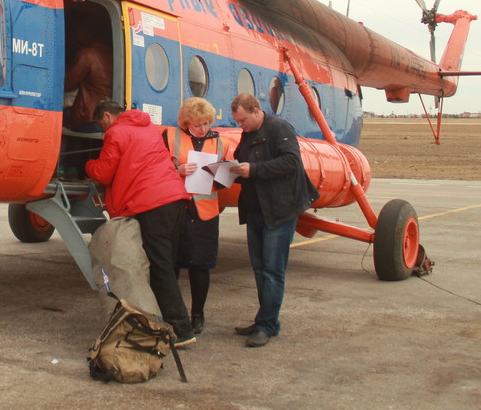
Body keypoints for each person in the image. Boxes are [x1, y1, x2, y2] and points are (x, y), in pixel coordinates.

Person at [85, 99, 196, 346]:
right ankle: (170, 321)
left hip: (151, 204)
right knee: (168, 265)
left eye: (101, 124)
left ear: (106, 117)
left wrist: (88, 164)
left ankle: (182, 330)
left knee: (160, 268)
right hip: (176, 200)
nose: (102, 130)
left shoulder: (115, 132)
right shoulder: (149, 128)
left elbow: (103, 172)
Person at [230, 93, 319, 347]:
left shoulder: (280, 128)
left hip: (279, 210)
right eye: (237, 121)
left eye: (243, 120)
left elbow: (291, 162)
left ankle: (267, 325)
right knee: (259, 269)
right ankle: (266, 320)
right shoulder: (248, 134)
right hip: (256, 209)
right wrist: (230, 171)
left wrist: (254, 170)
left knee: (272, 270)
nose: (240, 125)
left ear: (257, 111)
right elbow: (245, 164)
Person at [163, 97, 229, 335]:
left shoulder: (219, 142)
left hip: (205, 212)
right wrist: (176, 170)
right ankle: (172, 313)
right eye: (198, 124)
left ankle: (198, 315)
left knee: (200, 266)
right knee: (171, 265)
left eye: (207, 123)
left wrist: (223, 175)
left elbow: (222, 182)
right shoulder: (170, 137)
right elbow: (156, 170)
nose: (203, 128)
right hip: (177, 209)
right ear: (186, 122)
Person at [63, 32, 113, 130]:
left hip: (87, 117)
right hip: (107, 117)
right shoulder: (113, 56)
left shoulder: (87, 54)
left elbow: (68, 84)